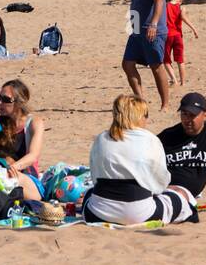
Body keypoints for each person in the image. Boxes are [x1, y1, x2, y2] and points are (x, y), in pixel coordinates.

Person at [83, 94, 196, 225]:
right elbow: (160, 182)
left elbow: (95, 177)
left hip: (97, 213)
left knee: (90, 193)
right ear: (139, 117)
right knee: (178, 199)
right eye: (145, 115)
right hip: (139, 213)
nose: (146, 120)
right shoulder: (150, 139)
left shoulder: (101, 138)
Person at [0, 79, 46, 201]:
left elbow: (33, 155)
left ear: (19, 103)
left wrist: (12, 168)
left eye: (6, 99)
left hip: (26, 180)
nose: (0, 102)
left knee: (5, 178)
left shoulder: (34, 123)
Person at [119, 0, 170, 110]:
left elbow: (159, 0)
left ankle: (165, 104)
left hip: (152, 30)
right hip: (137, 31)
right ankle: (141, 101)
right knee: (127, 64)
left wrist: (153, 24)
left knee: (156, 66)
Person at [163, 0, 199, 87]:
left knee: (166, 60)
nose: (181, 2)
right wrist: (194, 29)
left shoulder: (165, 6)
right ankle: (183, 83)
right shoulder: (181, 8)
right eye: (181, 0)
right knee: (180, 60)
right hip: (178, 36)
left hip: (167, 36)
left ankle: (174, 80)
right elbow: (184, 18)